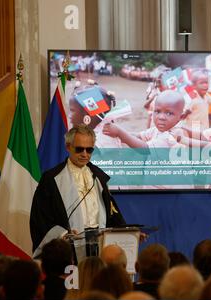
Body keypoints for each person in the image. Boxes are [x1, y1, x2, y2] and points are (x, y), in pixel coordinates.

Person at [30, 124, 126, 256]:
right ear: (68, 147)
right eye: (79, 149)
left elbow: (112, 213)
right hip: (68, 247)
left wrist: (129, 234)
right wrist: (63, 234)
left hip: (99, 242)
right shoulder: (51, 179)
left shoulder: (99, 177)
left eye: (89, 150)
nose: (84, 154)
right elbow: (40, 217)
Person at [102, 90, 187, 148]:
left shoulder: (170, 136)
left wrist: (119, 133)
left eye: (169, 113)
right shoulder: (156, 130)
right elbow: (138, 136)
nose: (161, 117)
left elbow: (144, 149)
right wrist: (117, 132)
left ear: (181, 117)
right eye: (157, 111)